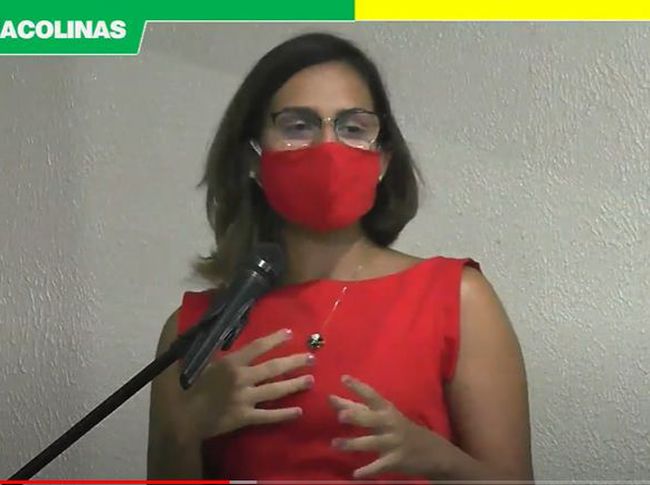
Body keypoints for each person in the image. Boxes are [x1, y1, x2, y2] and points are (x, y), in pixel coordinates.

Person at [147, 32, 534, 481]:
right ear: (252, 158)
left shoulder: (458, 300)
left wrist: (437, 458)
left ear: (383, 161)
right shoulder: (194, 330)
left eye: (353, 128)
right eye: (298, 126)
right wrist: (187, 428)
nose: (328, 148)